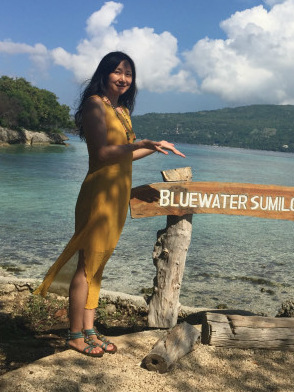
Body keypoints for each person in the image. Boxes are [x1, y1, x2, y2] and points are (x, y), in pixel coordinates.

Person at [34, 51, 185, 357]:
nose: (123, 78)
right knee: (87, 264)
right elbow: (102, 154)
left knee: (99, 263)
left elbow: (126, 154)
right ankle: (75, 334)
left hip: (117, 194)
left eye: (128, 74)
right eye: (117, 72)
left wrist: (154, 147)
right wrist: (140, 143)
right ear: (103, 74)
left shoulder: (122, 111)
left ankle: (89, 329)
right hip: (99, 193)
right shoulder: (95, 105)